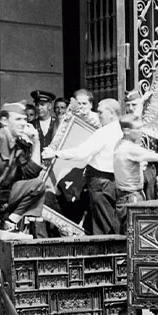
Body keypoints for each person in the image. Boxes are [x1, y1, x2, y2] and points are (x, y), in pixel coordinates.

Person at [43, 99, 122, 235]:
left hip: (100, 183)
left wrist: (55, 154)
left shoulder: (104, 132)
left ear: (112, 113)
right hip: (114, 182)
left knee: (102, 225)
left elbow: (81, 153)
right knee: (110, 221)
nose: (98, 115)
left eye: (101, 112)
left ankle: (103, 255)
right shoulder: (121, 130)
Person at [0, 102, 45, 240]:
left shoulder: (16, 146)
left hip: (3, 199)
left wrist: (36, 142)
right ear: (4, 121)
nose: (23, 123)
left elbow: (31, 172)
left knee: (37, 185)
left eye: (25, 119)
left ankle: (8, 224)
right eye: (18, 119)